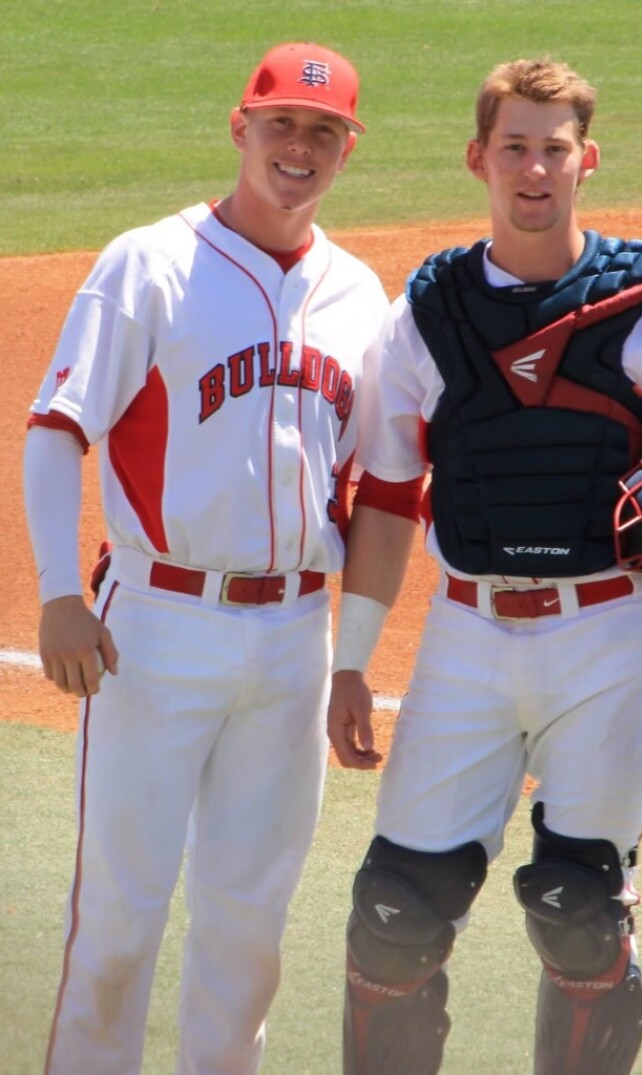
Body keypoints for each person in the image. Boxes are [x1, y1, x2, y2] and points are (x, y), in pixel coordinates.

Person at [326, 57, 642, 1074]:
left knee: (579, 909)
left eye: (554, 149)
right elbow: (384, 495)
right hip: (467, 635)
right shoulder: (426, 314)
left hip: (607, 638)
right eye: (515, 146)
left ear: (586, 160)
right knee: (390, 917)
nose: (534, 169)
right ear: (478, 158)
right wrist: (352, 662)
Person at [24, 41, 389, 1075]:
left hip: (290, 640)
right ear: (242, 127)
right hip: (156, 626)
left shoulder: (363, 295)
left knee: (248, 924)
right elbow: (58, 428)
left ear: (347, 149)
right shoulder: (147, 262)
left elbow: (383, 490)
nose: (301, 148)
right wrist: (58, 593)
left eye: (325, 132)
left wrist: (353, 653)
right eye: (282, 124)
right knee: (119, 916)